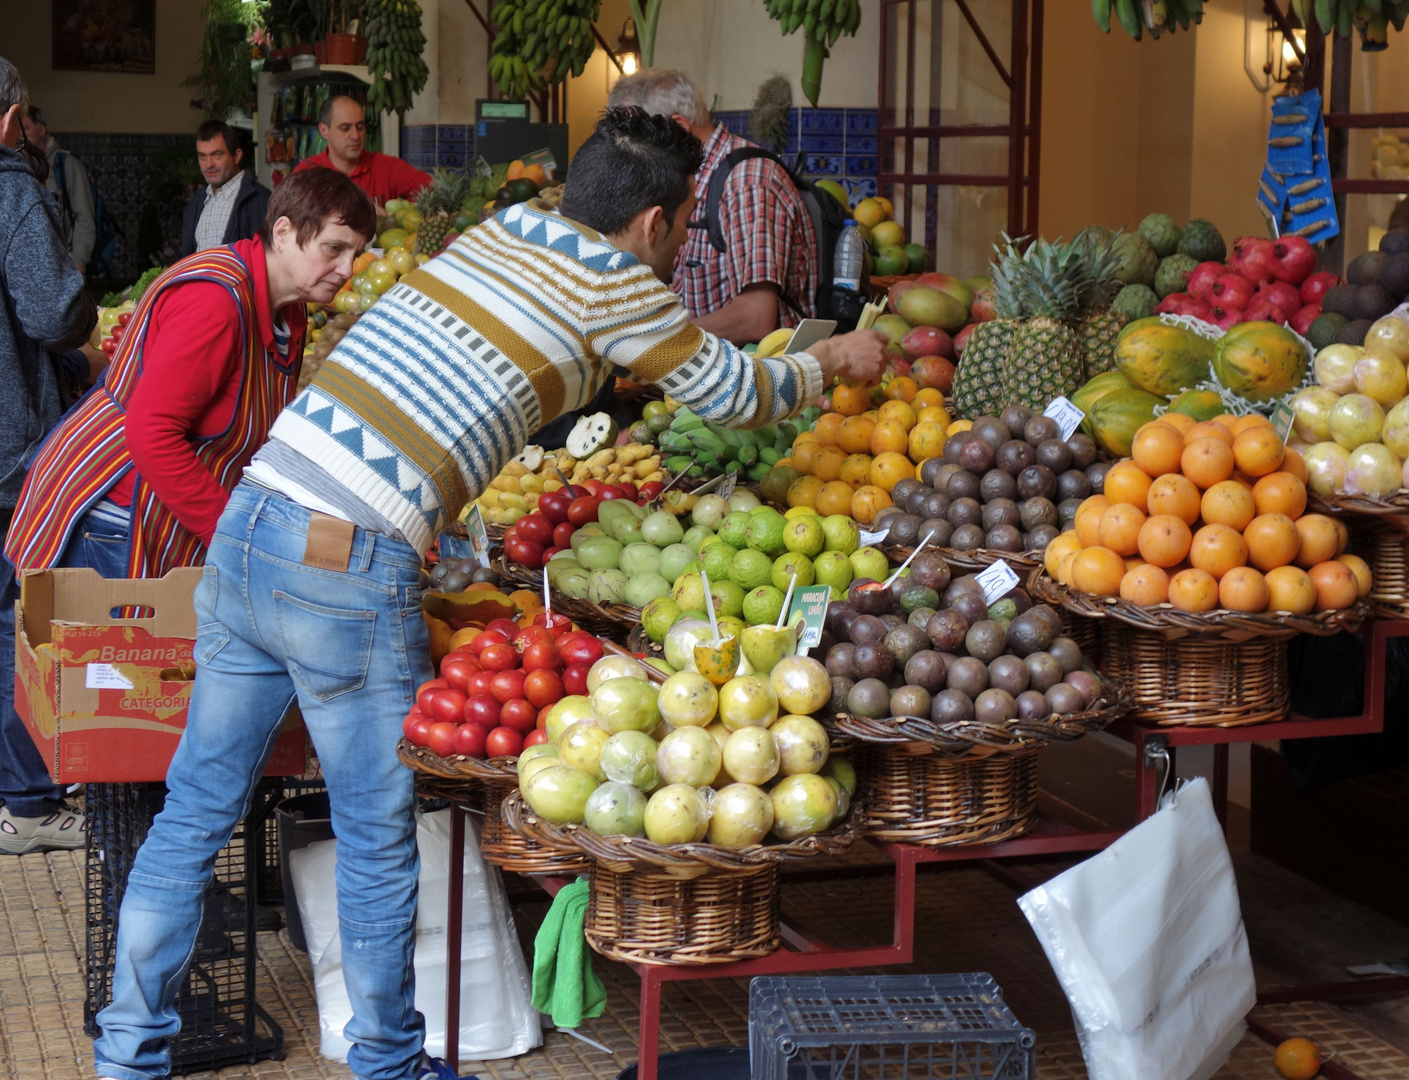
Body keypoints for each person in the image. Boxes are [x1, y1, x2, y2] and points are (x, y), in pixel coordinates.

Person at [89, 106, 886, 1080]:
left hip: (255, 518)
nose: (676, 247)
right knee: (376, 837)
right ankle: (387, 1063)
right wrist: (828, 360)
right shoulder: (615, 279)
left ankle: (127, 1056)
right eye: (681, 227)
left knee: (194, 812)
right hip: (345, 561)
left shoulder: (505, 230)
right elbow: (731, 393)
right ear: (651, 223)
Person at [6, 166, 374, 586]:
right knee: (115, 650)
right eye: (334, 249)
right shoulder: (216, 303)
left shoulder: (290, 308)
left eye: (355, 253)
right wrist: (235, 538)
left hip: (166, 504)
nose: (347, 269)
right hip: (112, 513)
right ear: (284, 232)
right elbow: (151, 433)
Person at [0, 58, 97, 854]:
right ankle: (28, 805)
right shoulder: (11, 189)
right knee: (17, 619)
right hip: (4, 445)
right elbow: (53, 309)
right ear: (9, 119)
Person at [609, 69, 819, 344]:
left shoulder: (747, 182)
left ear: (680, 129)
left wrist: (657, 342)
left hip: (758, 375)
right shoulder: (693, 182)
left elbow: (756, 318)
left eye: (639, 143)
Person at [295, 95, 430, 209]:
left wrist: (395, 217)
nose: (355, 136)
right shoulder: (306, 173)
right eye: (345, 128)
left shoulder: (386, 167)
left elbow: (435, 191)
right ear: (324, 131)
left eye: (360, 127)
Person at [21, 105, 95, 275]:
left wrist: (79, 260)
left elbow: (84, 215)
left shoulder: (66, 165)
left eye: (27, 128)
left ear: (41, 130)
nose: (22, 136)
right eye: (20, 129)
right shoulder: (18, 165)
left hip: (63, 262)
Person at [180, 119, 271, 257]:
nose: (209, 164)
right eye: (202, 156)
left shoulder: (260, 199)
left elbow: (268, 259)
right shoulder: (198, 201)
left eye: (217, 155)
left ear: (237, 156)